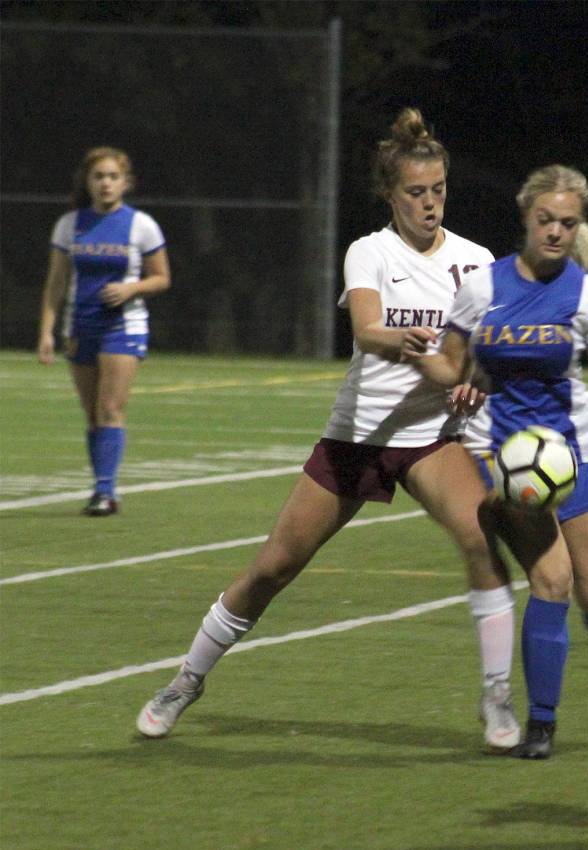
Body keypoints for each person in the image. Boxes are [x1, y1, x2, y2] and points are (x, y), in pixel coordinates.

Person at [137, 109, 522, 748]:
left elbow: (480, 353)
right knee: (273, 568)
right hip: (357, 439)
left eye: (439, 191)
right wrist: (410, 344)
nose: (429, 205)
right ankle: (185, 680)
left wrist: (469, 374)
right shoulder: (369, 251)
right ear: (390, 195)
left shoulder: (476, 263)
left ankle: (497, 696)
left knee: (483, 542)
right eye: (415, 193)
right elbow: (368, 331)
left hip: (429, 439)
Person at [403, 164, 588, 760]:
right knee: (552, 579)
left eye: (568, 223)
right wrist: (422, 359)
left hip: (578, 456)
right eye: (546, 220)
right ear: (526, 218)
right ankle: (542, 723)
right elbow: (453, 369)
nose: (556, 232)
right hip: (506, 458)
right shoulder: (483, 289)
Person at [37, 147, 171, 516]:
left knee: (110, 406)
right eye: (99, 177)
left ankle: (105, 492)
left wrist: (131, 288)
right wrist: (47, 333)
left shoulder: (140, 224)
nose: (106, 183)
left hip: (122, 325)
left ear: (125, 183)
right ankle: (101, 488)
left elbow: (162, 278)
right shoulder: (69, 224)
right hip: (80, 325)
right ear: (88, 182)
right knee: (91, 412)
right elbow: (56, 283)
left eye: (113, 176)